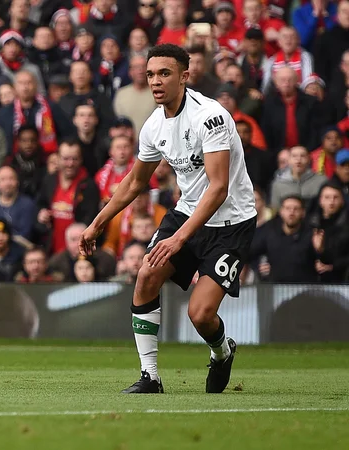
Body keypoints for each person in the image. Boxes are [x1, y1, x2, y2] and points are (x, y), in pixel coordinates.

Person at [79, 44, 257, 395]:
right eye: (150, 75)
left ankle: (222, 352)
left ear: (184, 76)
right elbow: (134, 182)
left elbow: (219, 188)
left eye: (164, 73)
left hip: (231, 221)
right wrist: (97, 222)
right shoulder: (153, 126)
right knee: (146, 273)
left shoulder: (211, 115)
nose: (156, 81)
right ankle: (150, 377)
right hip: (189, 212)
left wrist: (178, 240)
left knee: (200, 314)